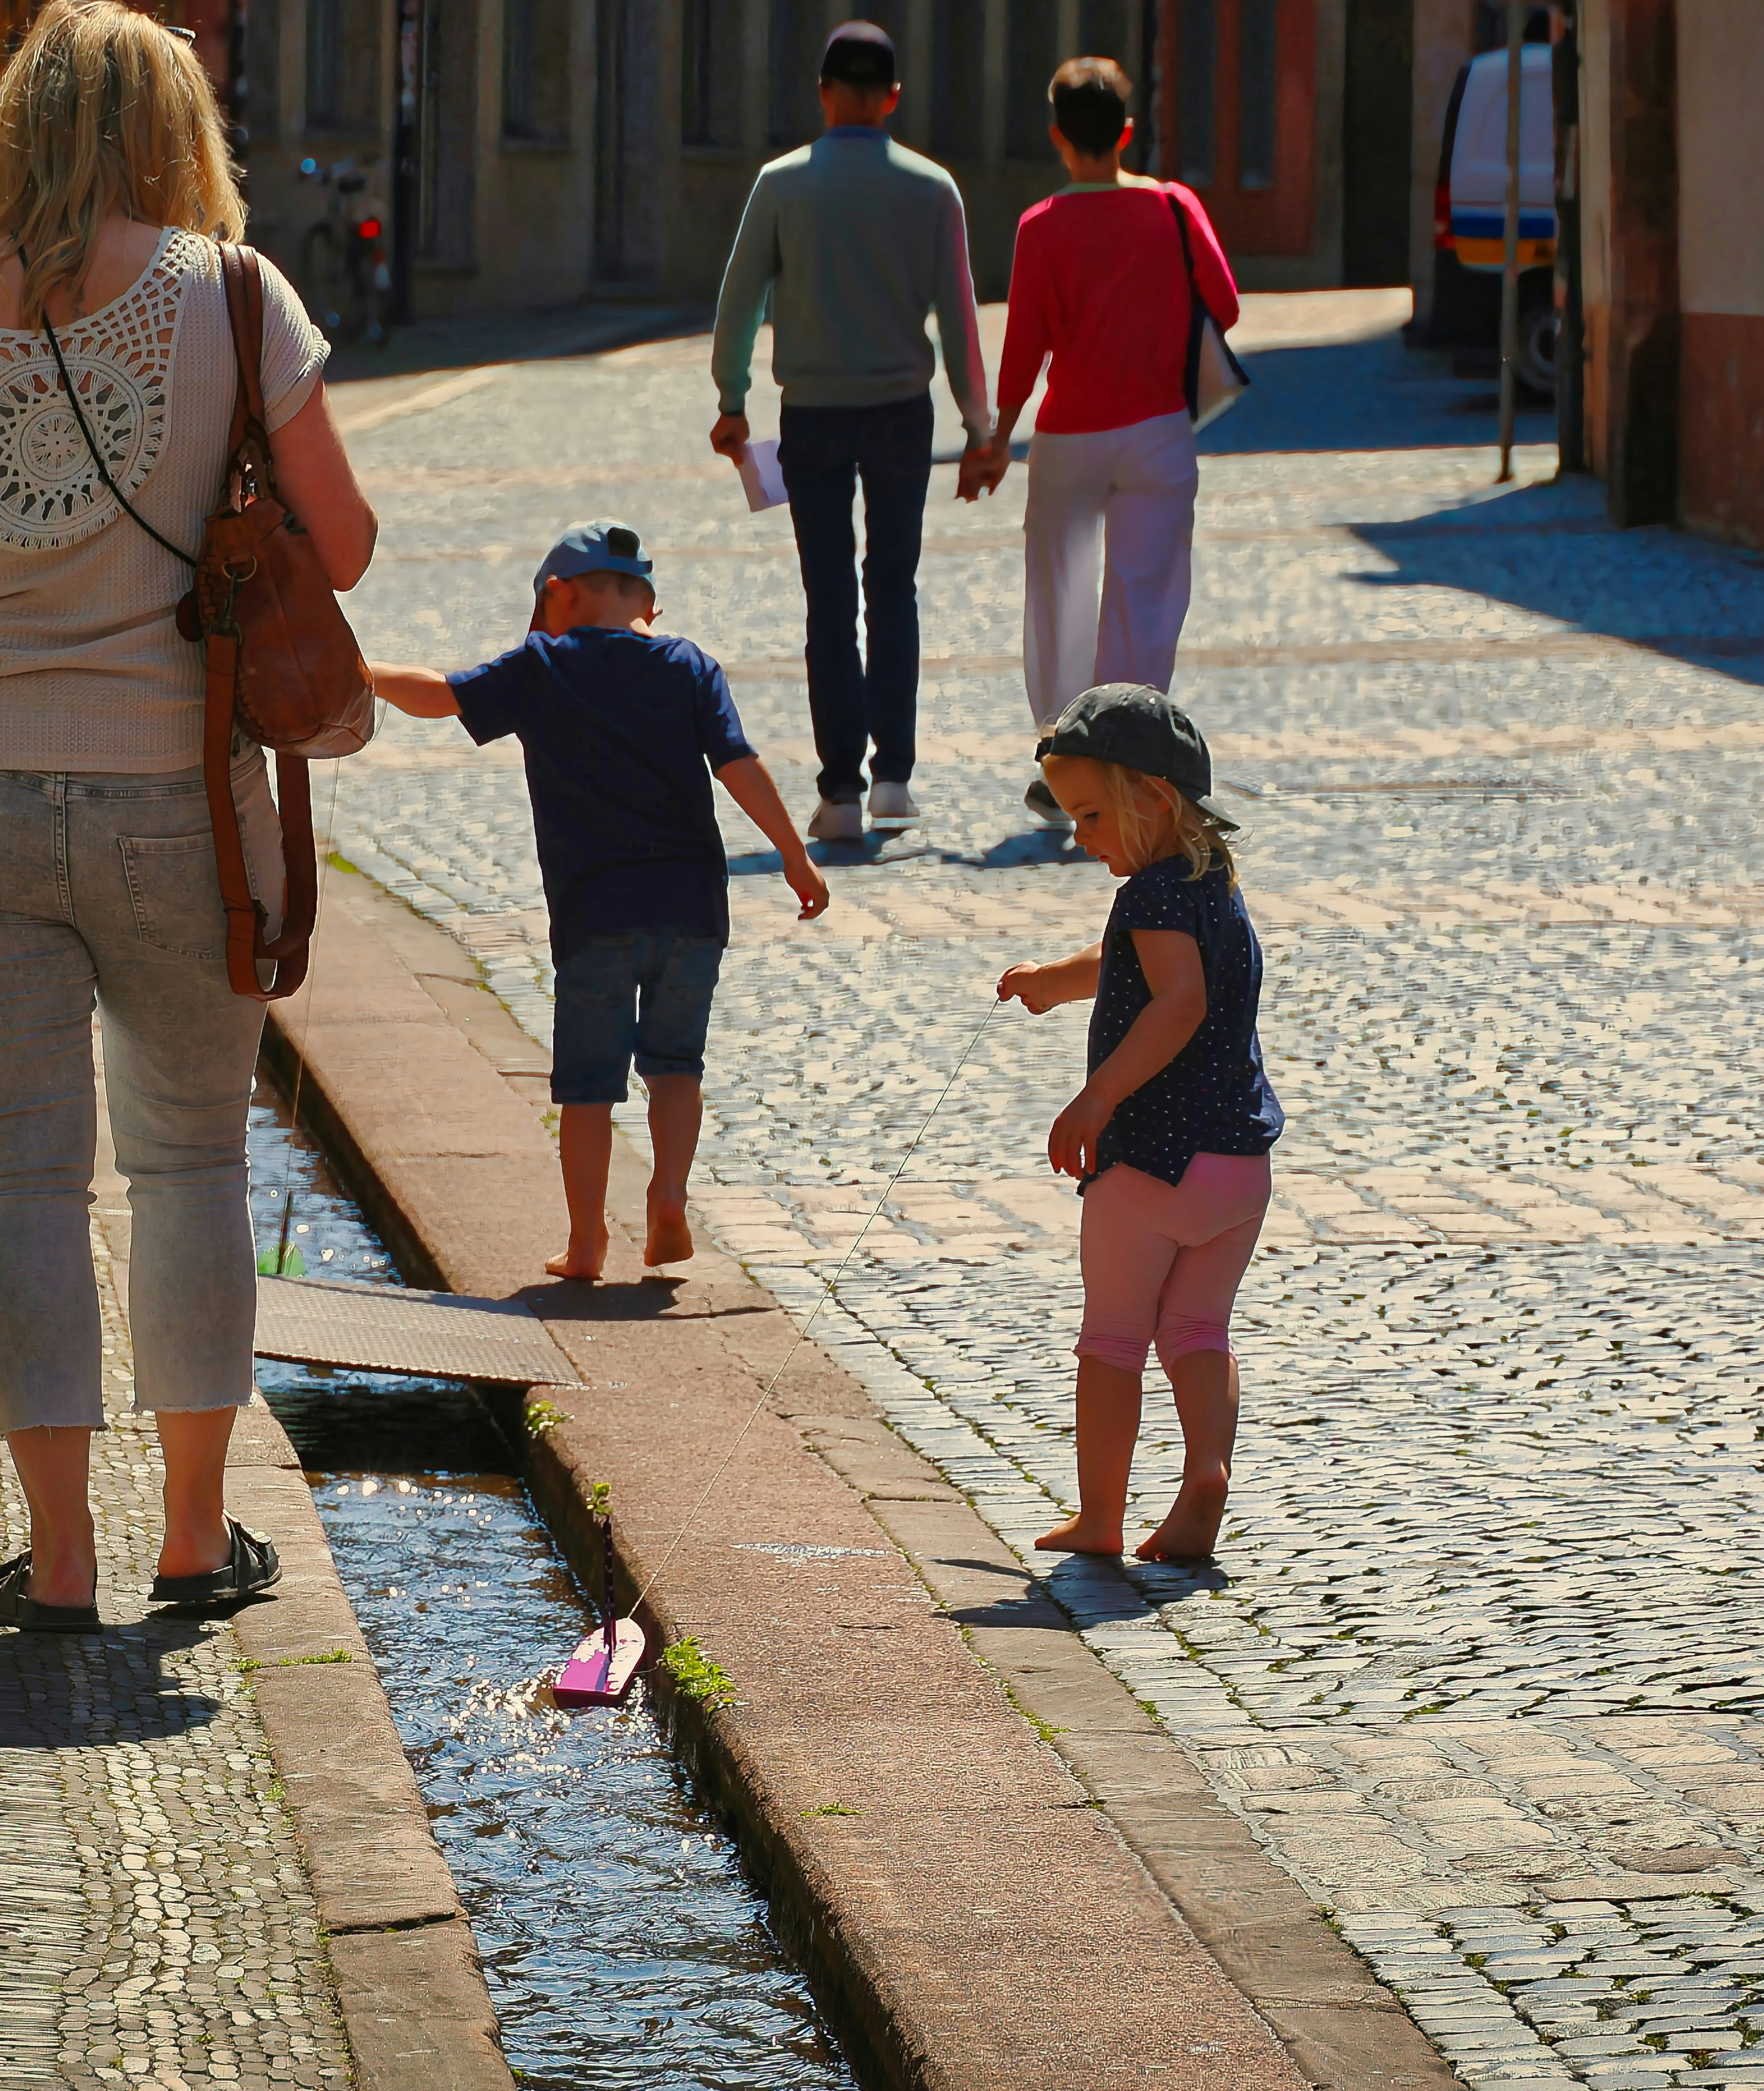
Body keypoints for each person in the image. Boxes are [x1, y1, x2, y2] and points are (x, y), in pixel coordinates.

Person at [0, 2, 379, 1635]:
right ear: (177, 134)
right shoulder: (240, 297)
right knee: (191, 1161)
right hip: (177, 804)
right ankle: (193, 1537)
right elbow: (336, 546)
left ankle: (57, 1558)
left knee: (23, 1181)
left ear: (13, 133)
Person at [366, 523, 830, 1282]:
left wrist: (365, 671)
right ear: (646, 599)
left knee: (588, 1088)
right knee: (677, 1066)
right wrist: (793, 854)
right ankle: (670, 1195)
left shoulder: (547, 663)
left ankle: (587, 1244)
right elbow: (737, 764)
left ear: (560, 594)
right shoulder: (689, 665)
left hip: (596, 916)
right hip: (692, 910)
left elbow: (444, 696)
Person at [996, 686, 1279, 1562]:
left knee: (1114, 1339)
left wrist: (1098, 1097)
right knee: (1198, 1329)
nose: (1080, 836)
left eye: (1089, 813)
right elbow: (1134, 965)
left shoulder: (1151, 896)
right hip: (1237, 1167)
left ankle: (1100, 1517)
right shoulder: (1209, 881)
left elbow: (1176, 1000)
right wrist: (1053, 978)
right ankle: (1207, 1470)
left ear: (1152, 798)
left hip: (1151, 1164)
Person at [707, 19, 995, 844]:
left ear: (826, 93)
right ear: (894, 98)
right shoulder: (933, 190)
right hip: (904, 410)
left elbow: (739, 302)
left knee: (828, 596)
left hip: (815, 415)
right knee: (893, 585)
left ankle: (838, 790)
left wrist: (732, 402)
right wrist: (980, 426)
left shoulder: (781, 185)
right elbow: (959, 321)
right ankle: (895, 780)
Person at [977, 57, 1240, 832]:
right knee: (1146, 602)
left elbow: (1024, 347)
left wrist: (997, 437)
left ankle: (1062, 756)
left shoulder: (1042, 225)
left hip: (1069, 436)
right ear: (1128, 133)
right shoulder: (1174, 207)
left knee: (1058, 599)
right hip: (1158, 430)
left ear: (1058, 137)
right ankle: (1131, 758)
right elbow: (1224, 301)